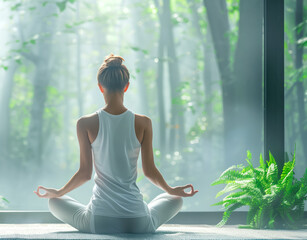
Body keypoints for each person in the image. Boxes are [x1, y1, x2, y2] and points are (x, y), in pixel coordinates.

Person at [34, 54, 198, 234]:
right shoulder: (143, 123)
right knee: (175, 199)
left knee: (54, 202)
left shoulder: (85, 123)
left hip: (99, 220)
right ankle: (152, 211)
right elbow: (150, 171)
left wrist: (58, 192)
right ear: (126, 86)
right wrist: (171, 189)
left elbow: (85, 174)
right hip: (138, 221)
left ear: (100, 87)